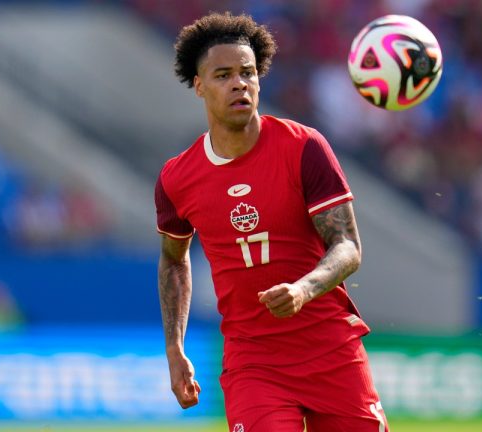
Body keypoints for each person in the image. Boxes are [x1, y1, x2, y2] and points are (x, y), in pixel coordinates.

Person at [154, 12, 389, 432]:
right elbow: (174, 260)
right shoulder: (177, 178)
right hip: (253, 362)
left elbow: (348, 246)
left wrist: (304, 288)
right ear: (199, 86)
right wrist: (175, 348)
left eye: (247, 72)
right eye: (223, 74)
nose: (239, 83)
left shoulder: (305, 148)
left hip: (330, 351)